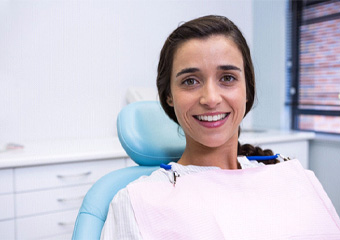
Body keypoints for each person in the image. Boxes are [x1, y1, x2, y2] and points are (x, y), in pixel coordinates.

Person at [101, 15, 340, 239]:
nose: (211, 98)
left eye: (227, 78)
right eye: (190, 81)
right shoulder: (137, 202)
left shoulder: (289, 175)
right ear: (169, 96)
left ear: (247, 89)